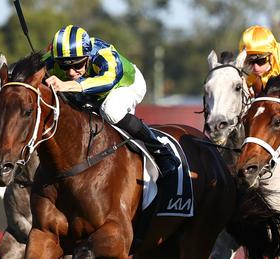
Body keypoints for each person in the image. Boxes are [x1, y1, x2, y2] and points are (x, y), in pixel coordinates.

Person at [44, 25, 179, 176]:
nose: (70, 72)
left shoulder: (104, 54)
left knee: (111, 110)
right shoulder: (53, 60)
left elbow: (108, 80)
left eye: (77, 65)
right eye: (64, 66)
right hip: (92, 92)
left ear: (88, 56)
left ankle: (161, 152)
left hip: (125, 84)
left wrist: (66, 85)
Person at [239, 25, 280, 91]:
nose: (256, 67)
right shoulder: (247, 69)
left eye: (261, 61)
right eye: (250, 61)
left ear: (271, 55)